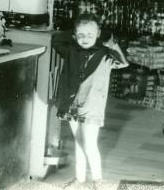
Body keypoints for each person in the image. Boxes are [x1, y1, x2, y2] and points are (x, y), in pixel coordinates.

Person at [52, 13, 129, 185]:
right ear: (74, 35)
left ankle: (98, 180)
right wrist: (75, 32)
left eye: (90, 34)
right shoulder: (71, 50)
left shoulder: (106, 54)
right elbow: (56, 40)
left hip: (92, 106)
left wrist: (108, 38)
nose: (85, 38)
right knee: (78, 142)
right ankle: (79, 180)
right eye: (80, 35)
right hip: (72, 104)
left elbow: (123, 62)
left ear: (98, 34)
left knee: (90, 144)